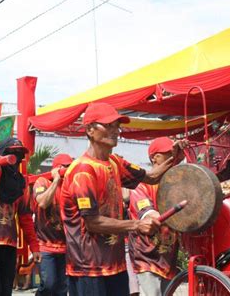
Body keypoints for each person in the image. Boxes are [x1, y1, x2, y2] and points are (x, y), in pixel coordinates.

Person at [60, 102, 186, 296]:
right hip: (89, 268)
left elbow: (151, 177)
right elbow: (93, 223)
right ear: (90, 130)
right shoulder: (82, 171)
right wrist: (137, 225)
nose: (115, 130)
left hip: (115, 265)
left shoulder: (115, 162)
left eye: (116, 125)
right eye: (108, 125)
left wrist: (174, 158)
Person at [0, 137, 41, 296]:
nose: (16, 159)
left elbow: (25, 217)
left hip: (10, 245)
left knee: (5, 293)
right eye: (12, 154)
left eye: (19, 155)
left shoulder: (20, 182)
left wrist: (34, 247)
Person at [128, 137, 181, 296]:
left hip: (168, 255)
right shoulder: (140, 185)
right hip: (146, 255)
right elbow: (149, 214)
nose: (173, 158)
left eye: (175, 154)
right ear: (155, 158)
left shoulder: (175, 183)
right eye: (169, 154)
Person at [32, 153, 73, 296]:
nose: (70, 169)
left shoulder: (70, 186)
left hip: (65, 247)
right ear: (58, 168)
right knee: (49, 285)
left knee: (62, 288)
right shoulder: (42, 181)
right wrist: (56, 181)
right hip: (45, 245)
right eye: (67, 166)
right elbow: (43, 202)